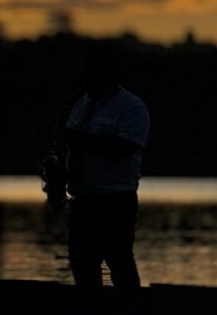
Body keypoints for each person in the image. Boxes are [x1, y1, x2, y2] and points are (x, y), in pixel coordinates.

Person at [61, 44, 150, 288]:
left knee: (119, 261)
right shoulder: (81, 104)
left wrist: (77, 140)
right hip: (83, 200)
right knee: (81, 262)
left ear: (109, 73)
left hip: (115, 201)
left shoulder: (131, 107)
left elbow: (126, 147)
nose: (86, 76)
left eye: (91, 70)